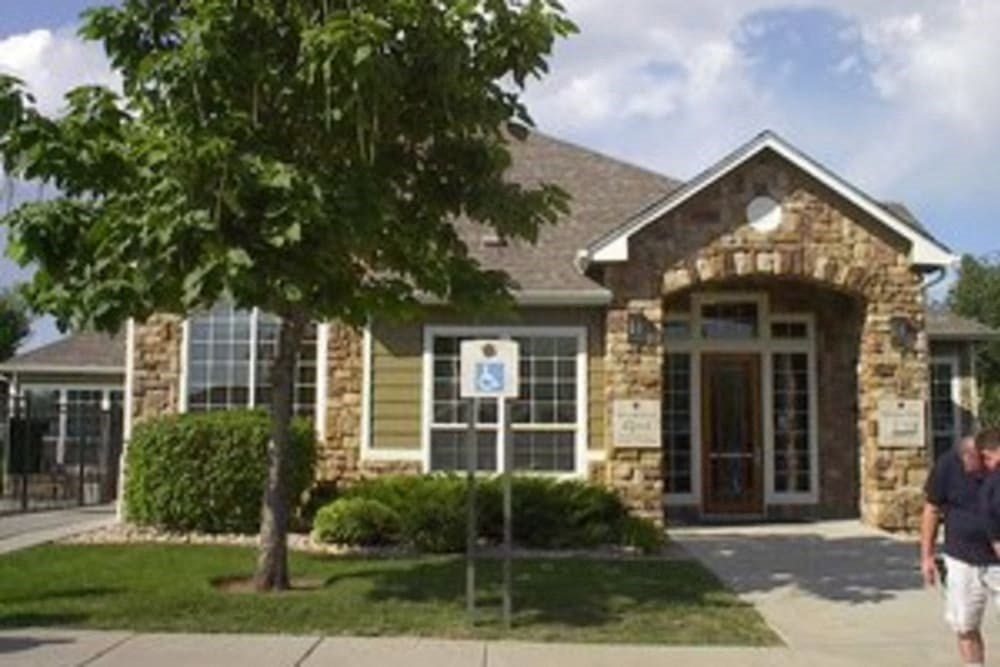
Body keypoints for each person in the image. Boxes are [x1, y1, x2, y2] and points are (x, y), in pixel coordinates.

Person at [921, 433, 1000, 667]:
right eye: (963, 463)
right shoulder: (947, 465)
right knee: (965, 624)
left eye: (974, 465)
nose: (968, 471)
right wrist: (926, 556)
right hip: (962, 558)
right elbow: (932, 510)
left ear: (984, 456)